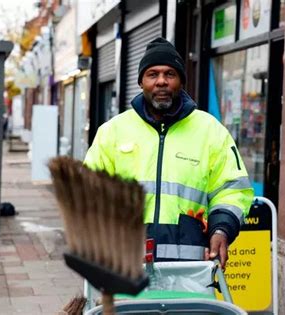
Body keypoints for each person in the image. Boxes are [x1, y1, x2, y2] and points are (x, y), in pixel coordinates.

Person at [84, 37, 253, 267]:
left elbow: (232, 190)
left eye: (170, 74)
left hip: (191, 270)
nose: (161, 81)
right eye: (152, 74)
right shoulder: (112, 132)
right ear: (141, 82)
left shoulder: (210, 131)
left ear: (181, 81)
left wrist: (222, 229)